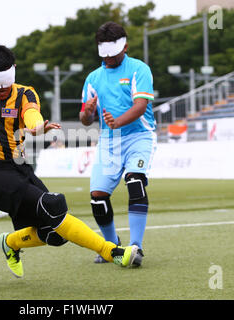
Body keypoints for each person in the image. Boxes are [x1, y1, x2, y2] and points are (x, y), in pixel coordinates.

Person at [0, 45, 143, 278]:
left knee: (55, 234)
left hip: (17, 167)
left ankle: (10, 243)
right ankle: (113, 252)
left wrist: (37, 127)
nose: (1, 91)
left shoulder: (25, 93)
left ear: (14, 71)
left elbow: (32, 115)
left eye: (5, 85)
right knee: (52, 205)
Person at [79, 22, 157, 265]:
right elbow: (84, 119)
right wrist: (88, 113)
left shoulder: (139, 69)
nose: (109, 59)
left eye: (113, 54)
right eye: (105, 55)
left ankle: (136, 246)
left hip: (139, 137)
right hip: (109, 142)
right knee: (97, 197)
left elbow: (140, 107)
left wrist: (117, 122)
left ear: (125, 47)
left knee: (135, 181)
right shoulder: (93, 78)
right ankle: (111, 247)